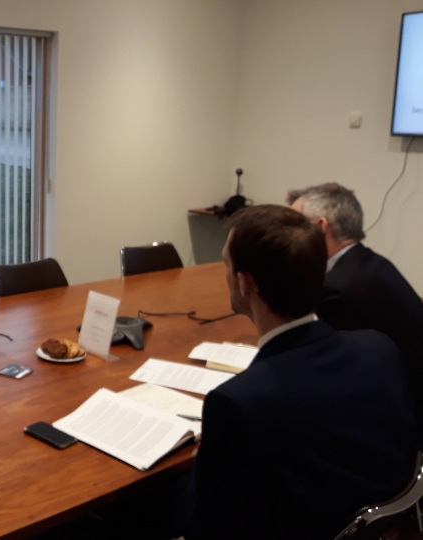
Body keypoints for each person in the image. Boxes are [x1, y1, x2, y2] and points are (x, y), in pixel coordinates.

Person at [178, 205, 418, 540]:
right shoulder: (378, 348)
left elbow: (209, 526)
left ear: (244, 283)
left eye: (226, 264)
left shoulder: (239, 402)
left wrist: (202, 461)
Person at [288, 183, 423, 421]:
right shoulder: (373, 263)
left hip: (395, 417)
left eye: (295, 226)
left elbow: (322, 373)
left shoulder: (335, 289)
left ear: (320, 227)